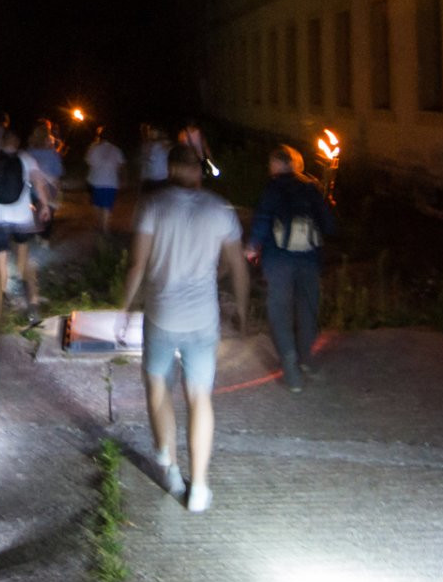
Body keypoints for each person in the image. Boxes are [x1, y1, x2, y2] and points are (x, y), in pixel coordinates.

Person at [117, 144, 249, 513]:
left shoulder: (153, 206)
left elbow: (137, 264)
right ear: (198, 171)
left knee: (157, 383)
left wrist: (124, 307)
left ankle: (170, 466)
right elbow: (238, 265)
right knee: (199, 396)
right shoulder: (220, 209)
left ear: (170, 168)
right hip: (203, 319)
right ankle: (200, 488)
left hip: (162, 315)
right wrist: (242, 309)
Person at [248, 145, 337, 393]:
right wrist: (329, 203)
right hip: (308, 259)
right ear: (296, 164)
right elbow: (329, 225)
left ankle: (291, 369)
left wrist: (252, 246)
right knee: (307, 309)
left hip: (278, 260)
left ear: (277, 164)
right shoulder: (311, 187)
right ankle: (306, 359)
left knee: (280, 311)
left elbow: (263, 219)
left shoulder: (272, 188)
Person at [0, 129, 48, 319]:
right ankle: (33, 304)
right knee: (24, 259)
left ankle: (1, 304)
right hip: (22, 218)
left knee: (1, 260)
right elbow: (39, 184)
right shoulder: (26, 158)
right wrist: (45, 205)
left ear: (2, 141)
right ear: (18, 143)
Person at [83, 126, 126, 237]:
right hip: (111, 182)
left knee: (97, 204)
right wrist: (121, 178)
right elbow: (121, 166)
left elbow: (88, 162)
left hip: (96, 181)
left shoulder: (93, 148)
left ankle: (98, 225)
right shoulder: (116, 150)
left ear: (99, 136)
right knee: (107, 206)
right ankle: (105, 229)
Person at [26, 120, 64, 239]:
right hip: (48, 187)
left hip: (31, 188)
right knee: (48, 213)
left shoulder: (28, 152)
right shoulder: (53, 154)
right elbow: (58, 172)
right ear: (47, 139)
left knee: (33, 212)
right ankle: (44, 238)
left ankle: (33, 234)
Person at [138, 124, 170, 192]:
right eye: (150, 132)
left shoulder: (163, 144)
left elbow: (169, 150)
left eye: (153, 132)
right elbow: (145, 162)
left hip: (161, 178)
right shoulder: (147, 145)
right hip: (150, 179)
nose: (151, 134)